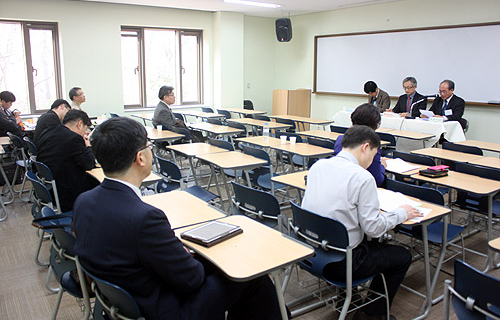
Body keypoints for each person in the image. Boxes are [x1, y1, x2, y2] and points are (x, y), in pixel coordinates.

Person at [72, 117, 282, 320]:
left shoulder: (84, 200)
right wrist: (185, 256)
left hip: (125, 299)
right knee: (249, 275)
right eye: (148, 147)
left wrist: (176, 253)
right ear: (141, 158)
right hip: (167, 309)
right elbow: (191, 280)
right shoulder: (144, 218)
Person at [302, 125, 422, 320]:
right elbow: (373, 229)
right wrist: (401, 214)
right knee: (401, 256)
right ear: (366, 147)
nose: (372, 161)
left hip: (310, 251)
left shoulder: (318, 166)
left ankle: (347, 297)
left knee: (364, 241)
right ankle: (371, 314)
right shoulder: (363, 177)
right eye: (374, 155)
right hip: (341, 263)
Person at [37, 109, 97, 212]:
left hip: (49, 187)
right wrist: (88, 146)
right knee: (98, 183)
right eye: (85, 129)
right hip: (66, 192)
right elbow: (89, 164)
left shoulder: (48, 132)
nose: (84, 133)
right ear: (79, 124)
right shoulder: (74, 139)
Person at [334, 103, 386, 186]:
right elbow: (377, 179)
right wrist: (382, 166)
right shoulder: (371, 145)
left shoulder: (341, 139)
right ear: (374, 125)